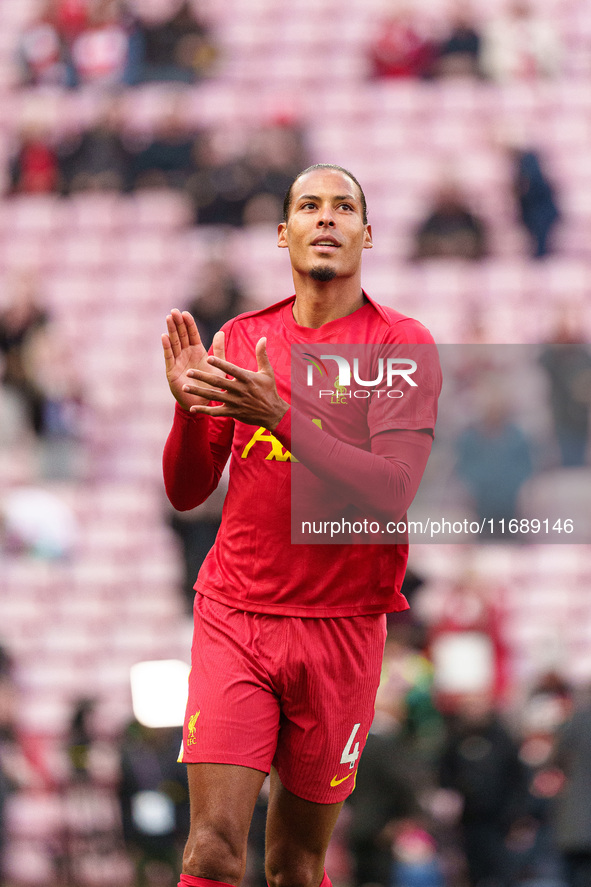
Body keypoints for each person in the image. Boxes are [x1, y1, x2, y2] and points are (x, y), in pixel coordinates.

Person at [161, 164, 441, 887]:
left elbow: (393, 488)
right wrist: (189, 412)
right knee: (212, 851)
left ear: (366, 233)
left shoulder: (399, 345)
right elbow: (188, 490)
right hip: (237, 613)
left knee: (293, 863)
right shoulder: (242, 337)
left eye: (342, 206)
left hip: (342, 625)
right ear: (283, 233)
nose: (325, 217)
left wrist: (279, 418)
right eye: (308, 206)